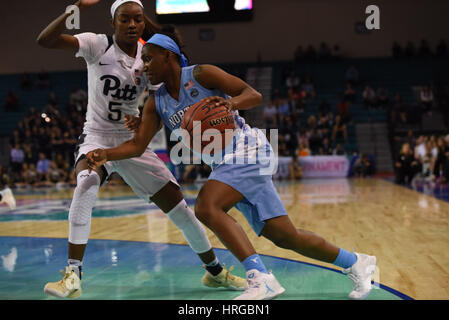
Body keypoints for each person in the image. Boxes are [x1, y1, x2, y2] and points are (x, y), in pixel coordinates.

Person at [86, 30, 378, 300]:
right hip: (226, 163)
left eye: (148, 58)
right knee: (285, 236)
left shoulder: (201, 74)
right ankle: (357, 263)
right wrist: (106, 154)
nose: (144, 66)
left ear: (168, 55)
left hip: (248, 149)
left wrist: (232, 104)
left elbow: (254, 95)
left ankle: (260, 277)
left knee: (207, 206)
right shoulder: (156, 102)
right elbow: (138, 145)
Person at [37, 0, 245, 299]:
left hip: (132, 142)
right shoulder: (98, 45)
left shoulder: (150, 55)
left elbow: (160, 105)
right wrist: (74, 10)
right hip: (96, 136)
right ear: (114, 23)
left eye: (137, 19)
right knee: (86, 183)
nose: (132, 24)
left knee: (180, 209)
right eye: (125, 19)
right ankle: (72, 275)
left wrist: (143, 118)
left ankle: (215, 273)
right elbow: (45, 41)